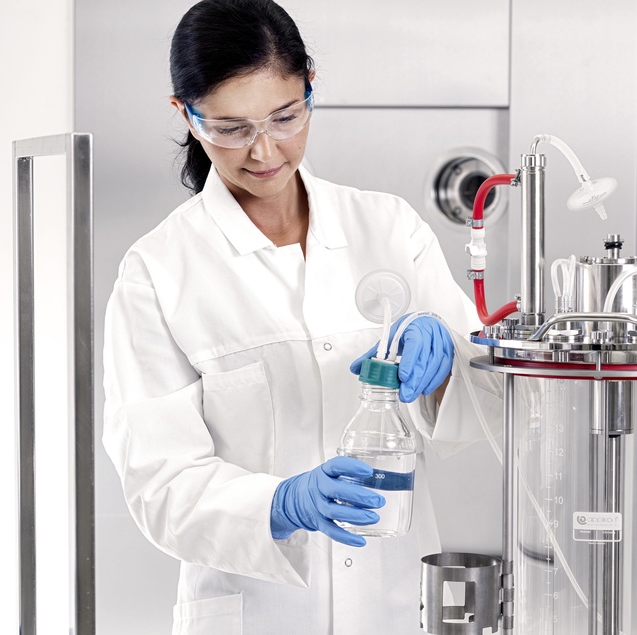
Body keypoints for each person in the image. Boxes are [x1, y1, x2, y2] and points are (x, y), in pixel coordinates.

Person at [101, 1, 501, 633]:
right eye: (231, 128)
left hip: (391, 601)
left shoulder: (389, 227)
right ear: (185, 114)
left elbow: (493, 403)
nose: (264, 149)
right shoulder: (158, 271)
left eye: (285, 116)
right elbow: (159, 485)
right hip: (256, 612)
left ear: (310, 87)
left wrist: (451, 354)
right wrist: (280, 504)